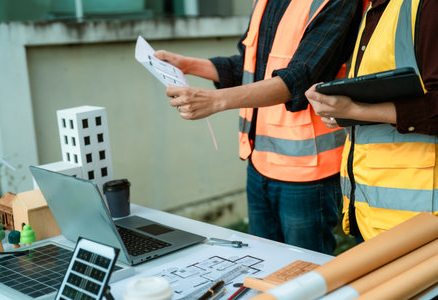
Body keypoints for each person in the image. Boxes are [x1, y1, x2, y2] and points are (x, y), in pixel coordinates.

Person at [155, 0, 361, 254]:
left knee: (305, 275)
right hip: (258, 161)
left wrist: (215, 101)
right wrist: (186, 65)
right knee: (264, 264)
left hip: (306, 171)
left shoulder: (334, 2)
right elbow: (249, 66)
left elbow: (299, 78)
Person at [305, 0, 438, 241]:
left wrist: (355, 110)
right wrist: (341, 110)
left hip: (416, 219)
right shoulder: (372, 10)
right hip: (367, 210)